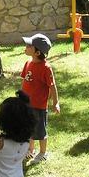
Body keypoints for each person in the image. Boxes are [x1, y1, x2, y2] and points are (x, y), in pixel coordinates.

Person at [20, 33, 59, 164]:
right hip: (26, 104)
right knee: (28, 128)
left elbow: (52, 87)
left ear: (37, 52)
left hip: (39, 106)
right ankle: (31, 150)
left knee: (40, 130)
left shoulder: (46, 68)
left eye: (29, 46)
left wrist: (56, 103)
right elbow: (24, 81)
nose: (25, 47)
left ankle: (43, 152)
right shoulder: (27, 63)